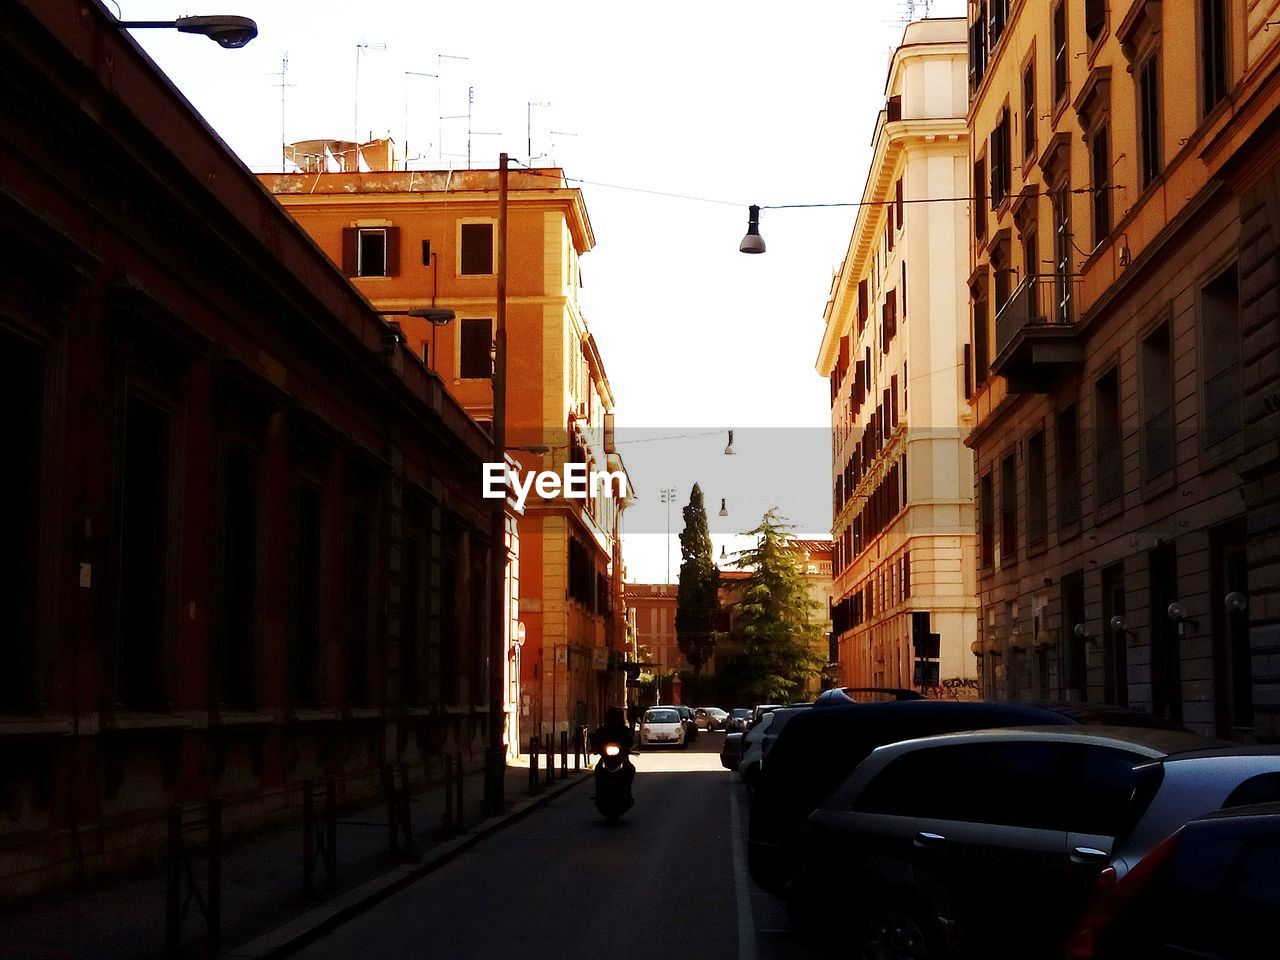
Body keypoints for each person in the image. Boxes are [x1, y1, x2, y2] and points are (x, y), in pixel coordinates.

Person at [589, 706, 636, 788]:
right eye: (612, 717)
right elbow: (596, 738)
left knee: (630, 769)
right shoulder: (603, 730)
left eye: (616, 717)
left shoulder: (624, 730)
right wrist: (595, 748)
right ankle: (599, 794)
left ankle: (627, 791)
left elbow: (630, 741)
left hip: (621, 757)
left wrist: (627, 748)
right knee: (598, 769)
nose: (614, 719)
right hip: (606, 757)